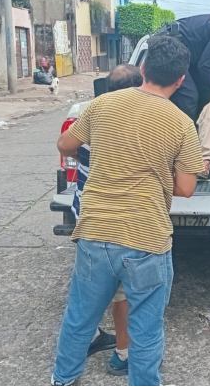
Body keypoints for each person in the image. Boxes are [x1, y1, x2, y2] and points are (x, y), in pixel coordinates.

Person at [51, 35, 205, 386]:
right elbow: (186, 188)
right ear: (181, 80)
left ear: (144, 68)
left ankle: (62, 380)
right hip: (147, 238)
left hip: (96, 232)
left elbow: (65, 144)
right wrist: (155, 168)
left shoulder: (103, 104)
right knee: (147, 329)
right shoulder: (181, 123)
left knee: (80, 319)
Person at [70, 64, 143, 377]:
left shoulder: (92, 118)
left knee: (91, 285)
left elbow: (68, 147)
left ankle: (88, 338)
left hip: (86, 216)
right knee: (121, 291)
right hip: (112, 221)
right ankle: (123, 356)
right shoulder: (129, 126)